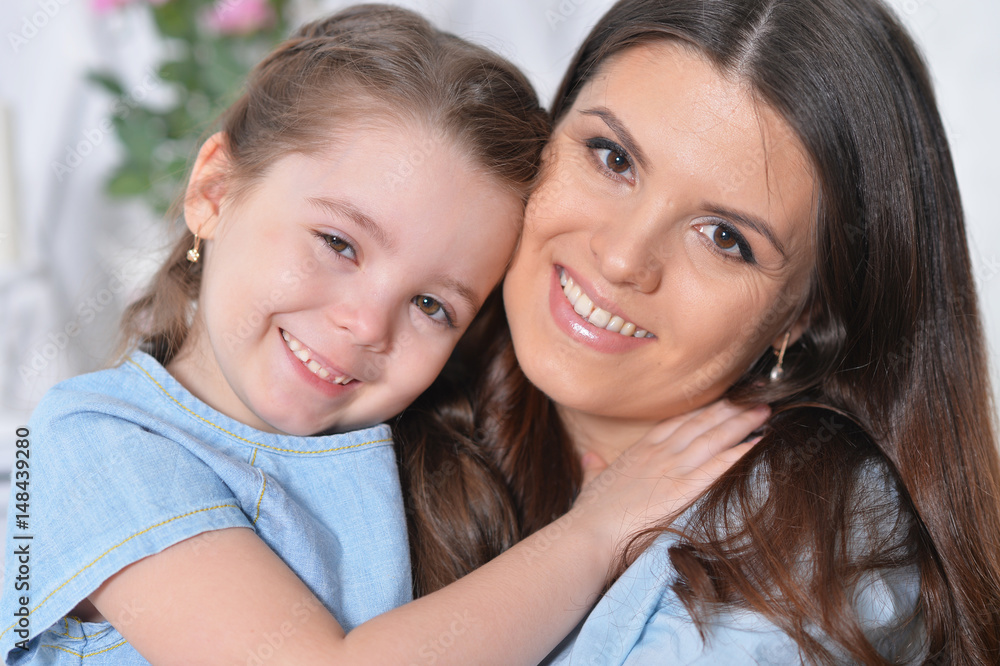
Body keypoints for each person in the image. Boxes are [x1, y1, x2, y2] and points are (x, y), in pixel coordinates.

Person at [0, 5, 766, 664]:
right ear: (214, 191)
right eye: (338, 243)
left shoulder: (405, 469)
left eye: (433, 306)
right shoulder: (93, 444)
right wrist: (598, 530)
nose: (366, 325)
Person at [395, 0, 1000, 663]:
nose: (623, 258)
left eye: (724, 238)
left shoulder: (822, 544)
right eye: (612, 157)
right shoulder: (381, 357)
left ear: (806, 316)